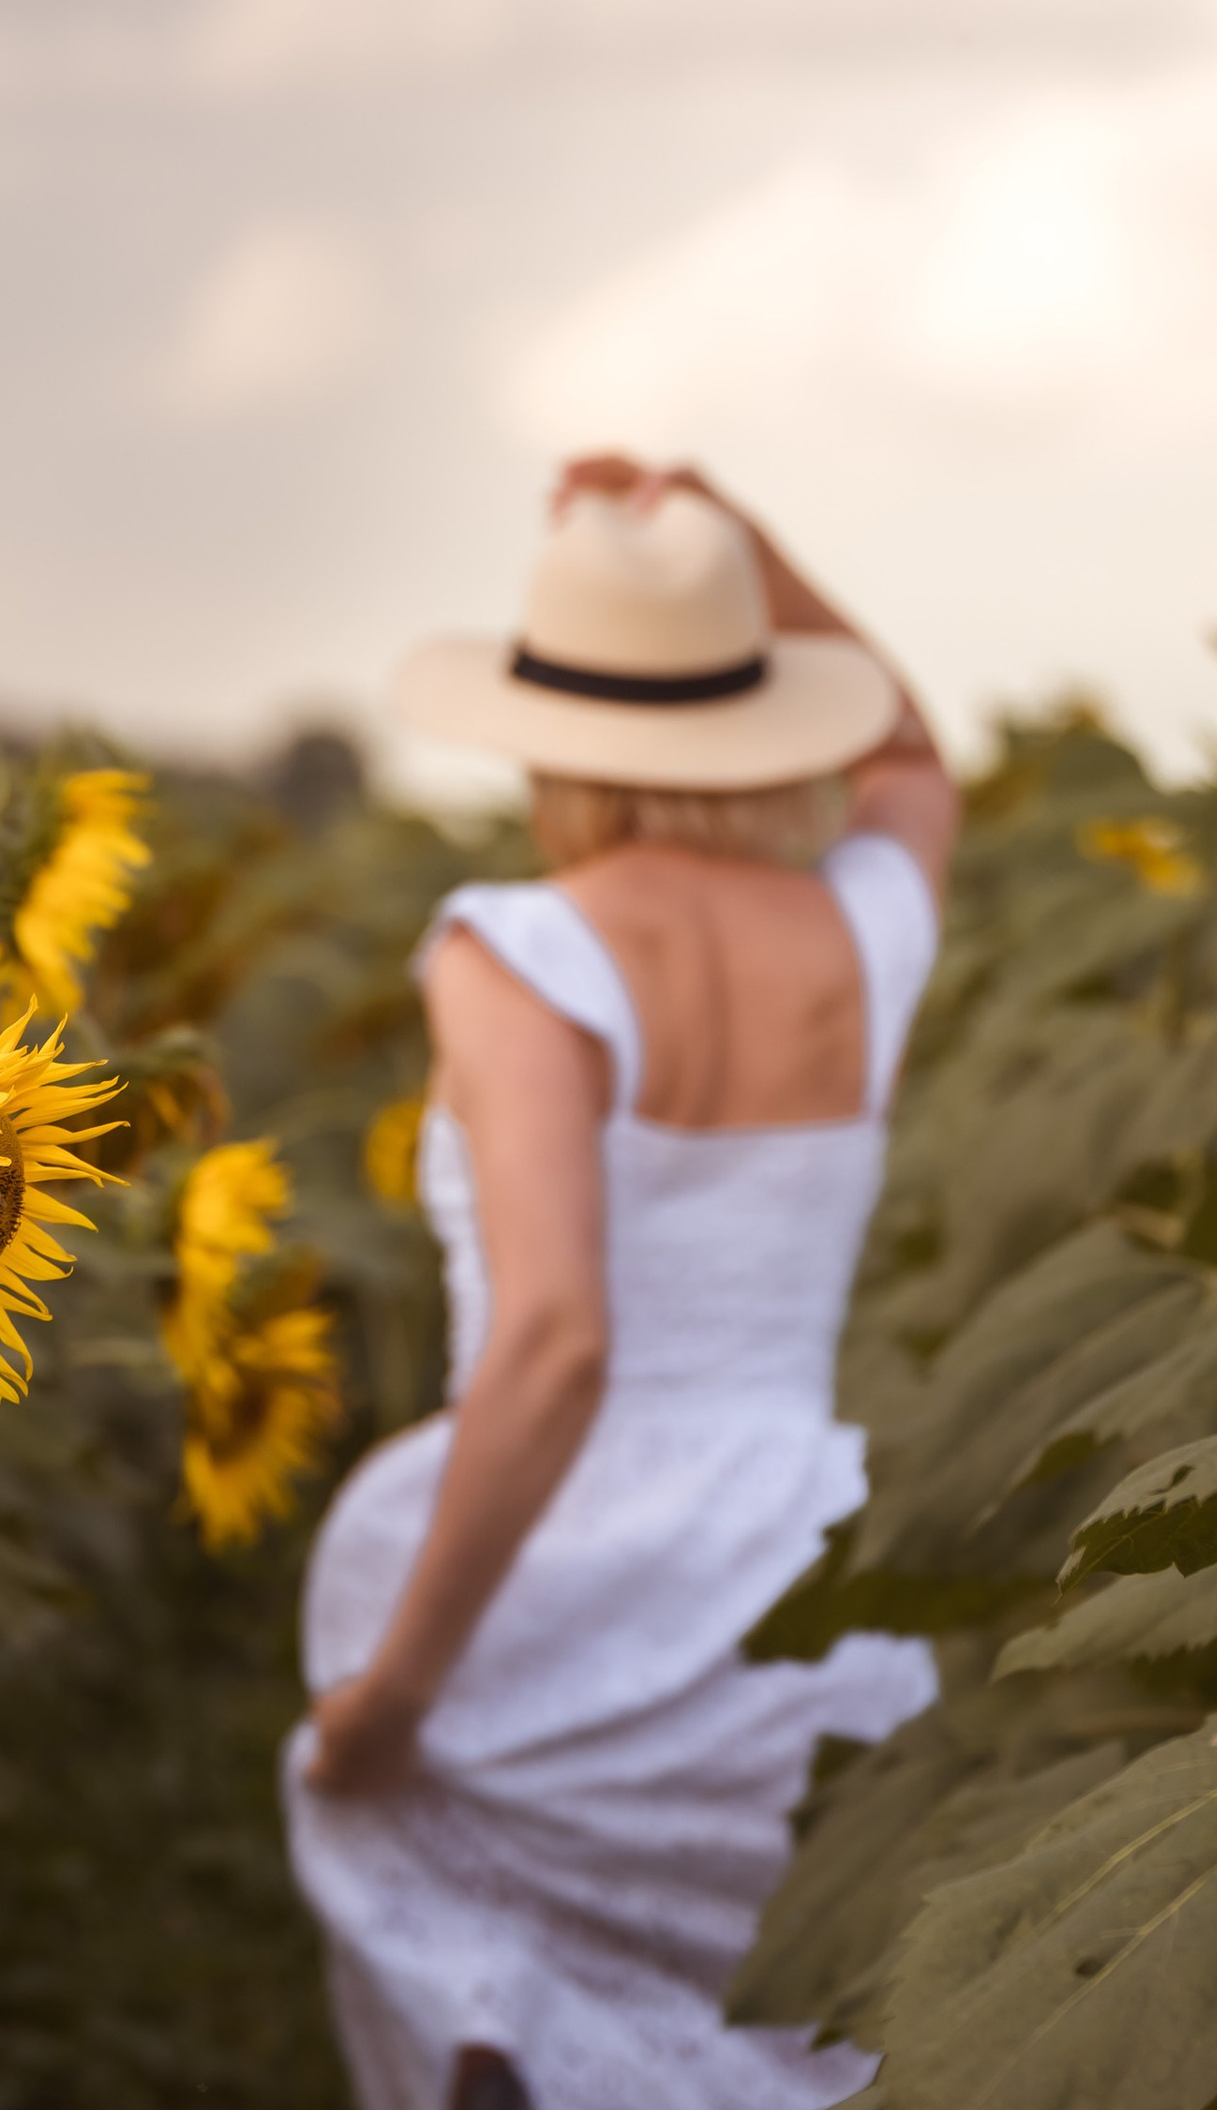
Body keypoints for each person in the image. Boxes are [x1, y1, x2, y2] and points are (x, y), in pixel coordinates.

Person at [283, 460, 957, 2110]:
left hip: (553, 1584)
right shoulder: (859, 933)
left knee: (482, 1986)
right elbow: (919, 762)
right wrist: (734, 538)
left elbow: (558, 1345)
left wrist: (396, 1697)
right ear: (756, 714)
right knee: (794, 2039)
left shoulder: (520, 946)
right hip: (813, 1587)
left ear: (549, 734)